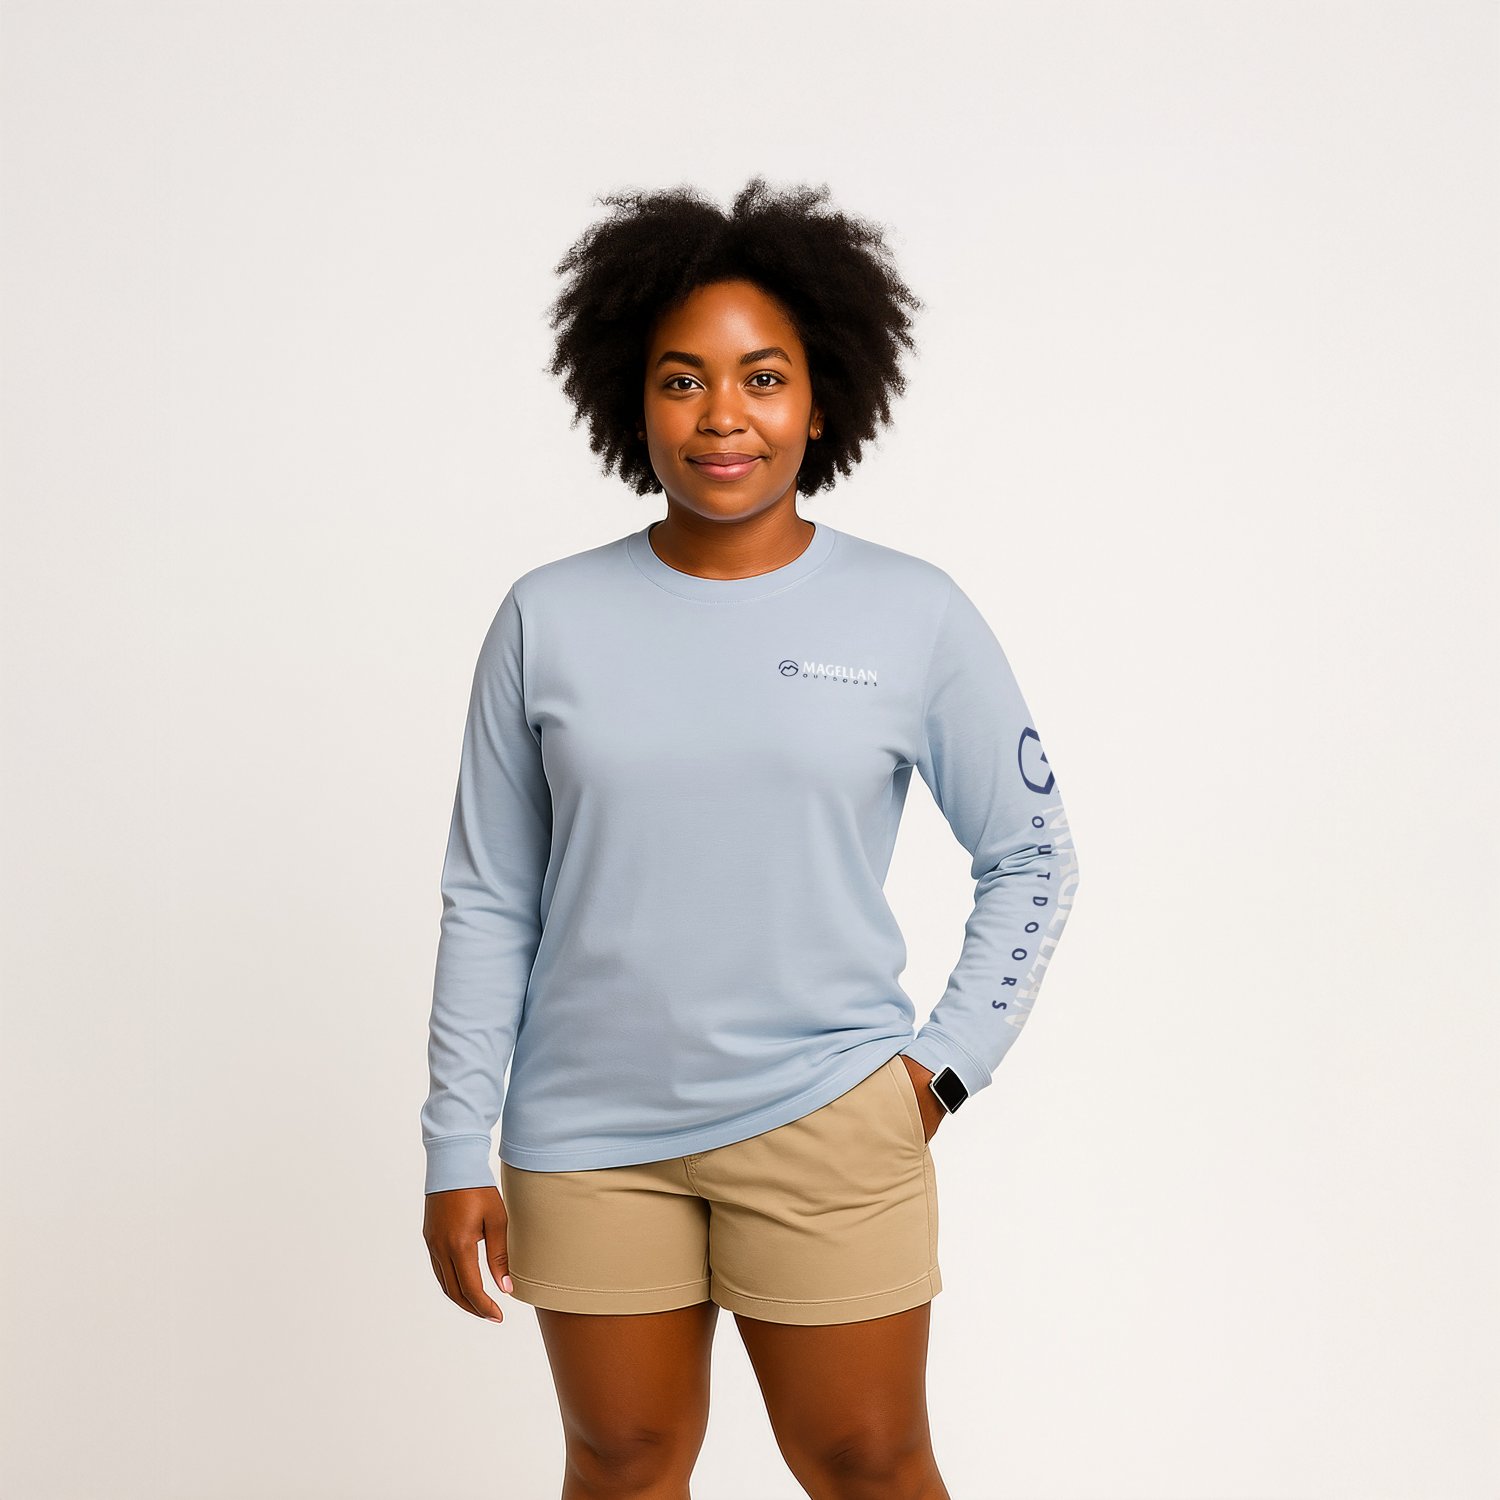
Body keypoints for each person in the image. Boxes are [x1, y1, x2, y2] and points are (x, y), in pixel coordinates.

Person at [420, 177, 1081, 1500]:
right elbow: (491, 895)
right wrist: (453, 1142)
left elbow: (1033, 855)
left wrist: (941, 1070)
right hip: (587, 1133)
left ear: (821, 401)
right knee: (622, 1463)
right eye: (683, 381)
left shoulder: (912, 614)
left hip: (826, 1116)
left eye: (763, 378)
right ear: (632, 402)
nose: (723, 414)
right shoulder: (548, 618)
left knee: (867, 1463)